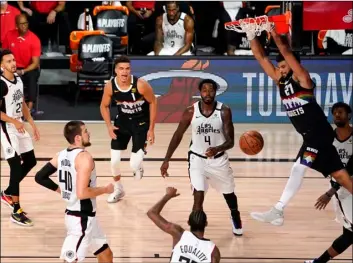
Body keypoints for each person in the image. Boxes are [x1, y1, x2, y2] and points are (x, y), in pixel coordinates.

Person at [246, 21, 353, 226]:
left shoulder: (304, 79)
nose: (281, 69)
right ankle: (277, 212)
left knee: (298, 168)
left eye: (284, 66)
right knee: (341, 176)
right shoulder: (281, 82)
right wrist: (251, 34)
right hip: (312, 135)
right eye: (279, 67)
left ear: (294, 65)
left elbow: (285, 50)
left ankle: (278, 210)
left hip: (318, 133)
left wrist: (272, 30)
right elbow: (260, 56)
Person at [160, 79, 243, 235]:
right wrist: (166, 159)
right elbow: (178, 135)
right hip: (197, 158)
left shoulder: (224, 111)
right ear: (200, 93)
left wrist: (218, 148)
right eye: (204, 90)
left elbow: (231, 141)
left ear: (215, 92)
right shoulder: (190, 111)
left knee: (229, 193)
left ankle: (235, 215)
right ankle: (196, 231)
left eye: (211, 90)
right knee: (198, 196)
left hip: (218, 160)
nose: (208, 93)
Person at [34, 120, 114, 263]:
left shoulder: (61, 155)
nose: (88, 134)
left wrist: (62, 191)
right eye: (85, 131)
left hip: (87, 218)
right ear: (78, 138)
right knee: (71, 260)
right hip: (81, 219)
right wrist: (105, 189)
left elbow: (40, 177)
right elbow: (82, 193)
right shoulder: (84, 157)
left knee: (106, 255)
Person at [100, 55, 157, 203]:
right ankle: (119, 189)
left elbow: (153, 102)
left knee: (134, 164)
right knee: (114, 162)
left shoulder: (141, 84)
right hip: (122, 123)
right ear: (115, 71)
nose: (124, 72)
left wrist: (151, 129)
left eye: (127, 68)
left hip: (140, 124)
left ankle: (139, 165)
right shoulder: (110, 86)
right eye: (121, 69)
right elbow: (103, 105)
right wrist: (108, 125)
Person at [304, 102, 352, 263]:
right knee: (349, 233)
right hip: (344, 193)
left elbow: (350, 168)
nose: (337, 115)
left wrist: (329, 193)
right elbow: (308, 158)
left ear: (349, 116)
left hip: (339, 188)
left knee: (349, 234)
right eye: (335, 113)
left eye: (341, 112)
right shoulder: (327, 140)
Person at [0, 49, 39, 226]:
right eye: (8, 61)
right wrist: (13, 122)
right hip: (7, 127)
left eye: (14, 60)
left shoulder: (18, 80)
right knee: (15, 165)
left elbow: (21, 102)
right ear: (2, 65)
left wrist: (32, 123)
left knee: (30, 161)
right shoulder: (1, 84)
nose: (13, 63)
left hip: (19, 125)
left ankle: (8, 192)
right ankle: (16, 210)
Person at [147, 187, 221, 263]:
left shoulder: (179, 234)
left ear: (188, 222)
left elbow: (151, 213)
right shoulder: (213, 251)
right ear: (206, 224)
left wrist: (168, 195)